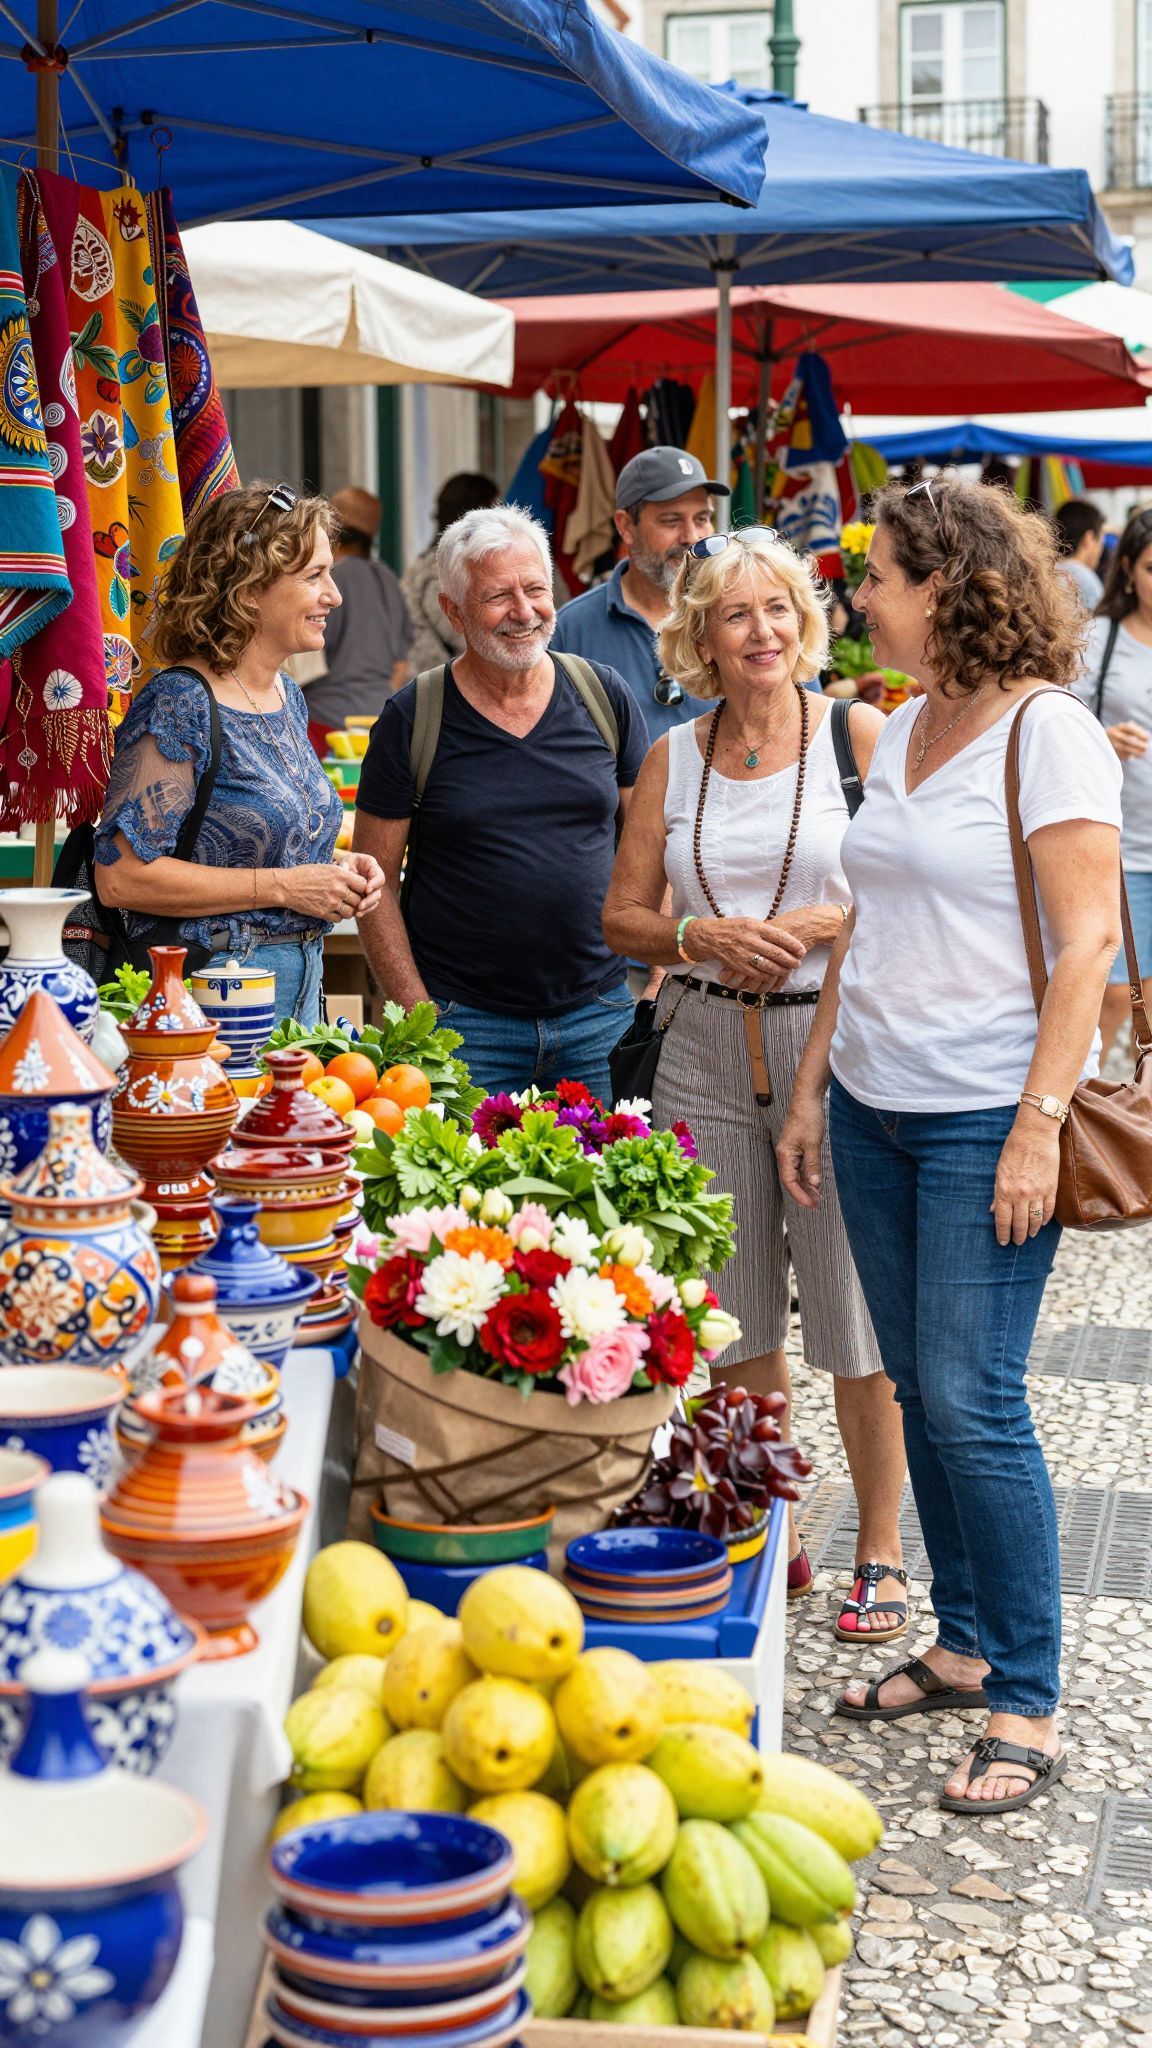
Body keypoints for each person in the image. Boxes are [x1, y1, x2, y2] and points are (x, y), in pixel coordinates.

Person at [778, 475, 1123, 1814]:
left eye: (878, 576)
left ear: (946, 587)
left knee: (976, 1400)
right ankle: (967, 1643)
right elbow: (866, 924)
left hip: (988, 1109)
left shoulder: (1051, 733)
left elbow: (1088, 943)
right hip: (875, 1102)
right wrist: (815, 1087)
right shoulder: (905, 724)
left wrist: (1038, 1123)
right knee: (921, 1387)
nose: (859, 594)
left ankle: (1029, 1697)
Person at [602, 528, 909, 1634]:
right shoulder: (671, 758)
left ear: (806, 620)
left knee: (853, 1310)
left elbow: (914, 890)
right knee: (733, 1315)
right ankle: (770, 1525)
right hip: (700, 1043)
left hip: (834, 1048)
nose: (762, 630)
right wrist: (700, 935)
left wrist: (826, 920)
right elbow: (621, 916)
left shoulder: (858, 735)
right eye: (736, 614)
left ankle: (880, 1548)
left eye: (778, 607)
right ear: (702, 637)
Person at [352, 504, 647, 1102]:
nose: (524, 611)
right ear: (453, 611)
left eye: (535, 589)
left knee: (613, 1166)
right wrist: (418, 1015)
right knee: (458, 1170)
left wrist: (657, 984)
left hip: (600, 1016)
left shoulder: (602, 696)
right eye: (497, 596)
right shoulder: (413, 717)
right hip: (464, 1026)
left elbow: (651, 845)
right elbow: (372, 882)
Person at [94, 482, 385, 1026]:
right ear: (250, 590)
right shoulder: (180, 702)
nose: (335, 595)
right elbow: (122, 876)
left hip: (299, 988)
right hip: (211, 995)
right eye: (314, 576)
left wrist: (337, 869)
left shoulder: (286, 694)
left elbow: (261, 848)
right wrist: (285, 886)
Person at [551, 447, 730, 742]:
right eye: (671, 520)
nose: (691, 536)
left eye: (701, 519)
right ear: (626, 526)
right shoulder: (571, 630)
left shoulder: (741, 613)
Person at [1075, 507, 1152, 1054]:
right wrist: (1101, 736)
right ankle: (1093, 1091)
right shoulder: (1098, 638)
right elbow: (1056, 723)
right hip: (1123, 847)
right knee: (1118, 992)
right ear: (1127, 570)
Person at [300, 486, 413, 752]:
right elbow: (401, 665)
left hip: (324, 727)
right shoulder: (389, 580)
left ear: (332, 528)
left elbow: (299, 662)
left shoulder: (326, 583)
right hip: (379, 723)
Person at [402, 472, 500, 677]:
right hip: (437, 685)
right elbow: (464, 636)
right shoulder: (438, 569)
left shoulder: (441, 563)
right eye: (494, 509)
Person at [1054, 498, 1106, 611]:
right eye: (1101, 542)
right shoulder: (1086, 581)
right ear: (1089, 538)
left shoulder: (1045, 572)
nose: (1100, 551)